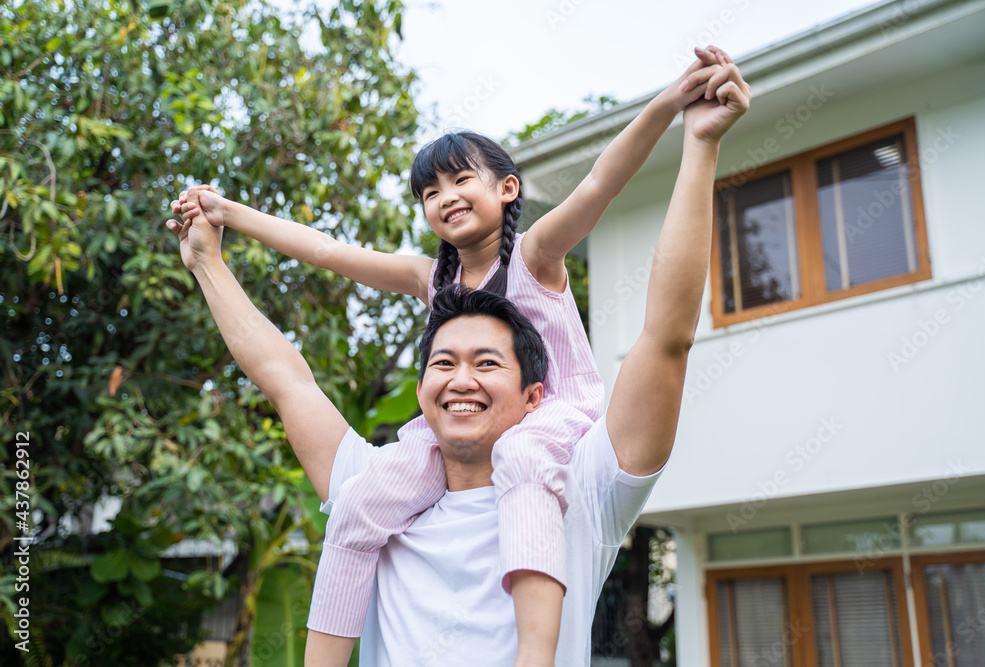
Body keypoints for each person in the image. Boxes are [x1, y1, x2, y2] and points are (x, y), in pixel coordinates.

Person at [167, 56, 749, 665]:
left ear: (507, 188)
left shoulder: (537, 257)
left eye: (461, 181)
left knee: (520, 455)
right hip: (467, 440)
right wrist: (226, 220)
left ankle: (535, 654)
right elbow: (326, 258)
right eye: (429, 192)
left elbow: (601, 187)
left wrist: (671, 113)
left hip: (554, 423)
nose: (445, 198)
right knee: (362, 503)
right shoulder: (431, 279)